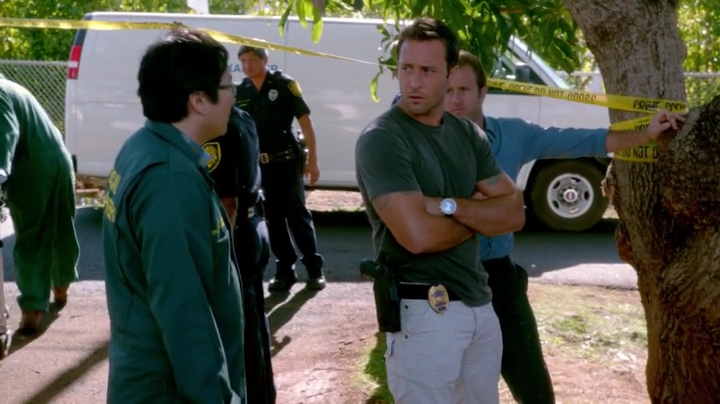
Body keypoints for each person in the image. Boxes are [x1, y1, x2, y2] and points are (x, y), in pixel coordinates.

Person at [393, 50, 686, 403]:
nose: (454, 100)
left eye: (464, 90)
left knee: (535, 391)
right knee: (448, 390)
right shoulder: (418, 138)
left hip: (498, 278)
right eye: (448, 90)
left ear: (483, 93)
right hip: (440, 280)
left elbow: (588, 139)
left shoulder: (512, 134)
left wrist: (646, 132)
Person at [356, 17, 526, 404]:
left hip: (479, 304)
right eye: (406, 69)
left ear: (450, 74)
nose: (414, 82)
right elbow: (418, 237)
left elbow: (514, 211)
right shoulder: (383, 139)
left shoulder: (467, 133)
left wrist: (445, 206)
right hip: (422, 312)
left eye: (428, 71)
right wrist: (481, 215)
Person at [101, 28, 246, 403]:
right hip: (169, 389)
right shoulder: (169, 180)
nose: (235, 95)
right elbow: (184, 311)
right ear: (198, 100)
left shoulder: (145, 146)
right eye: (228, 86)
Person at [235, 46, 325, 292]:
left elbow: (305, 121)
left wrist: (313, 159)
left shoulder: (284, 85)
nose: (247, 65)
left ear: (265, 59)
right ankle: (285, 270)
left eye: (252, 60)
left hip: (287, 161)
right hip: (260, 166)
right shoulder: (241, 91)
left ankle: (314, 269)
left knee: (297, 215)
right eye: (243, 60)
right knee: (272, 219)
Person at [202, 105, 276, 404]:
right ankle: (264, 394)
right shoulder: (242, 117)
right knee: (254, 321)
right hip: (254, 224)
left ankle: (254, 396)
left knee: (240, 326)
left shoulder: (219, 127)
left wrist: (221, 253)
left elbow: (227, 201)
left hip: (237, 232)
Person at [0, 73, 80, 334]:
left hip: (31, 167)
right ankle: (61, 284)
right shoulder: (12, 88)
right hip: (59, 158)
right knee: (63, 227)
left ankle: (33, 307)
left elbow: (6, 136)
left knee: (32, 235)